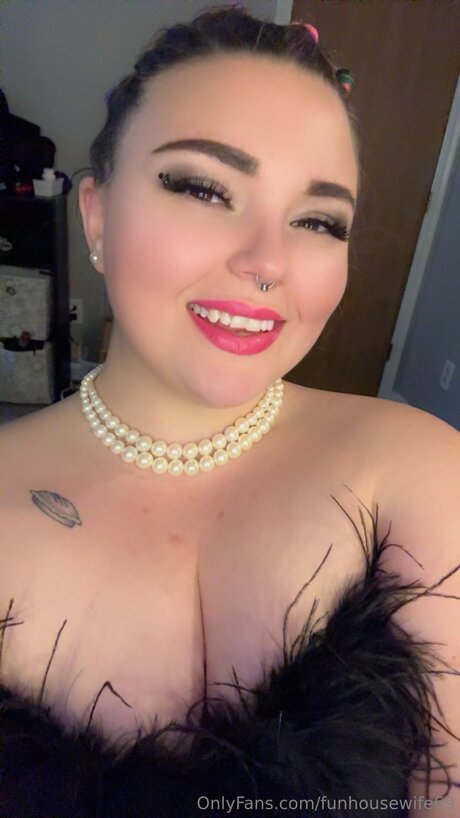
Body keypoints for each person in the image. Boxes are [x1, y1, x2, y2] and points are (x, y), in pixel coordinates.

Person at [0, 5, 459, 816]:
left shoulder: (420, 468)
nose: (267, 261)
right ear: (96, 215)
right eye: (204, 188)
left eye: (318, 220)